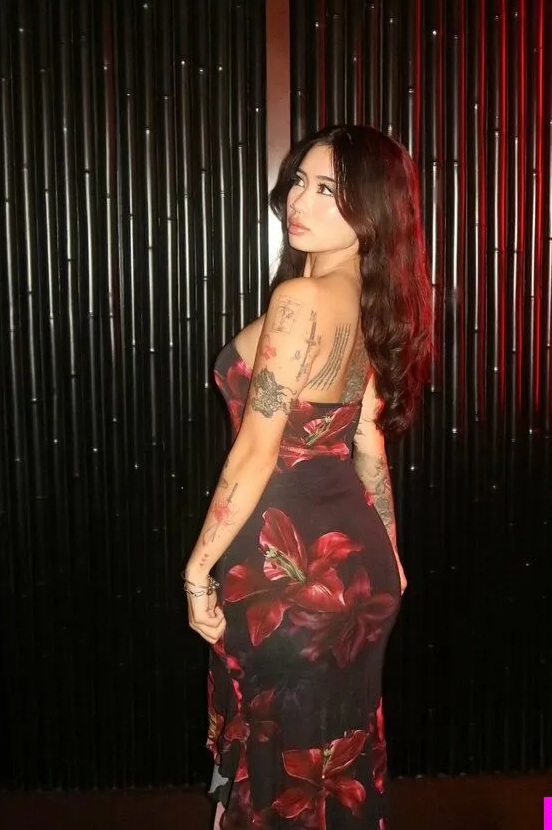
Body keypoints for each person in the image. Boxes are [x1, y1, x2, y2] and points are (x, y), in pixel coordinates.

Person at [183, 124, 434, 829]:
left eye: (328, 189)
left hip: (285, 566)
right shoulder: (374, 301)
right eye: (300, 180)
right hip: (358, 568)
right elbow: (368, 448)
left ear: (370, 209)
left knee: (281, 766)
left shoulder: (300, 299)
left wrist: (197, 572)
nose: (300, 199)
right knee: (332, 762)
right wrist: (392, 554)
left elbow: (256, 452)